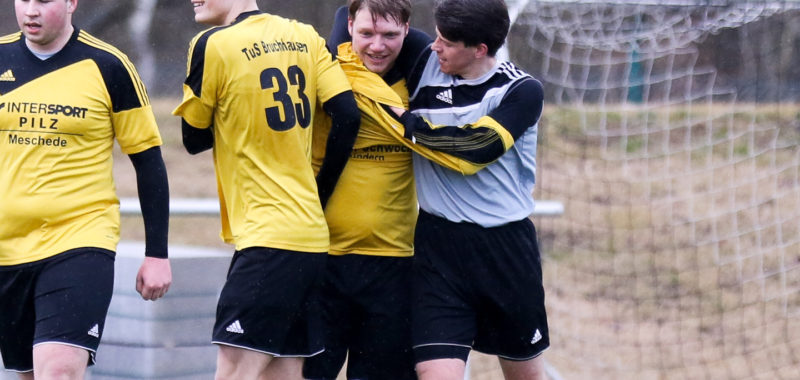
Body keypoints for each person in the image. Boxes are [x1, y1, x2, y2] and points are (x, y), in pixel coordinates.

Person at [331, 0, 550, 378]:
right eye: (435, 36)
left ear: (479, 49)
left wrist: (408, 123)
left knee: (524, 373)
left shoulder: (521, 91)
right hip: (438, 247)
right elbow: (346, 24)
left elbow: (475, 150)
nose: (434, 46)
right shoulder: (427, 59)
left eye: (446, 42)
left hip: (505, 250)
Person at [172, 0, 361, 378]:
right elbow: (348, 115)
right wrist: (317, 193)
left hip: (267, 242)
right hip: (308, 239)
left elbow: (192, 137)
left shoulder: (212, 44)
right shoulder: (305, 35)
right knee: (283, 371)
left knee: (234, 370)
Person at [0, 0, 173, 379]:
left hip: (79, 240)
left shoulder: (109, 66)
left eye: (44, 1)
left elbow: (148, 161)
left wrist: (156, 252)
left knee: (59, 371)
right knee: (28, 373)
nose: (30, 10)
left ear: (71, 2)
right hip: (8, 249)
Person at [302, 1, 417, 379]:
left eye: (390, 35)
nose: (377, 46)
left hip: (394, 266)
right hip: (322, 260)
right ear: (349, 26)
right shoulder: (324, 72)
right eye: (366, 33)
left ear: (407, 30)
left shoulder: (420, 85)